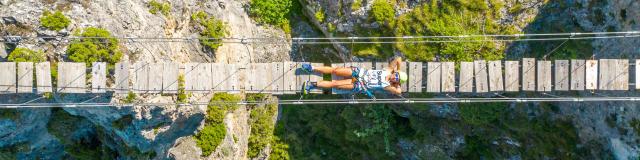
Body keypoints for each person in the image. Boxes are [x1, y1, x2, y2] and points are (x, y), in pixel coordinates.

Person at [301, 57, 407, 96]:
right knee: (335, 71)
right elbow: (398, 59)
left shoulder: (388, 86)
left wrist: (397, 83)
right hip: (359, 73)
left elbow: (399, 92)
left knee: (335, 84)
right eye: (396, 75)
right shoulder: (388, 70)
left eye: (397, 79)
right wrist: (398, 70)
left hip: (360, 85)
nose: (394, 77)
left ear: (396, 82)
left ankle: (311, 85)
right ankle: (312, 68)